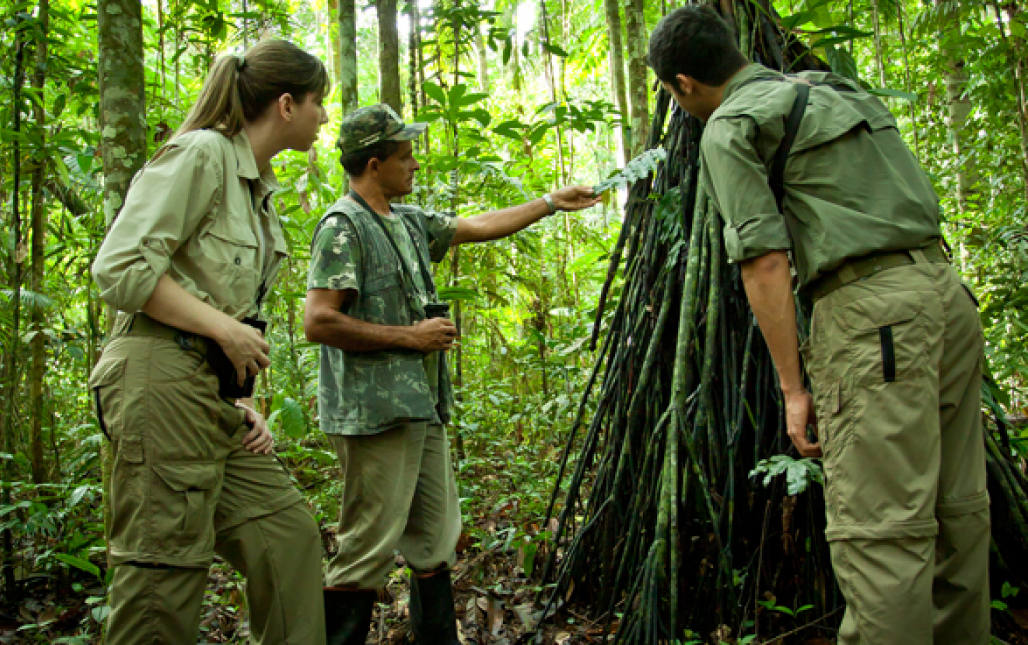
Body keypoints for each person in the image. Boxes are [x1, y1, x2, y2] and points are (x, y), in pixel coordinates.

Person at [646, 6, 990, 645]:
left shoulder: (730, 126)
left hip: (871, 319)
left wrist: (793, 388)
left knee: (882, 533)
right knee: (958, 512)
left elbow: (766, 263)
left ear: (683, 84)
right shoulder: (832, 88)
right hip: (946, 295)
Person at [304, 104, 600, 644]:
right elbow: (319, 320)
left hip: (422, 408)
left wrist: (551, 203)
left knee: (435, 538)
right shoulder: (343, 227)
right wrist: (410, 337)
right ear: (374, 164)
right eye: (404, 156)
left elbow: (480, 226)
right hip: (375, 417)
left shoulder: (409, 221)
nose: (414, 164)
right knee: (366, 549)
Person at [89, 39, 329, 644]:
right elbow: (119, 268)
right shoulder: (201, 154)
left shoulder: (258, 188)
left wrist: (241, 401)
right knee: (163, 580)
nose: (323, 116)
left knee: (288, 540)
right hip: (158, 379)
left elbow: (222, 298)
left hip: (209, 396)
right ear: (284, 104)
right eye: (316, 101)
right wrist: (223, 329)